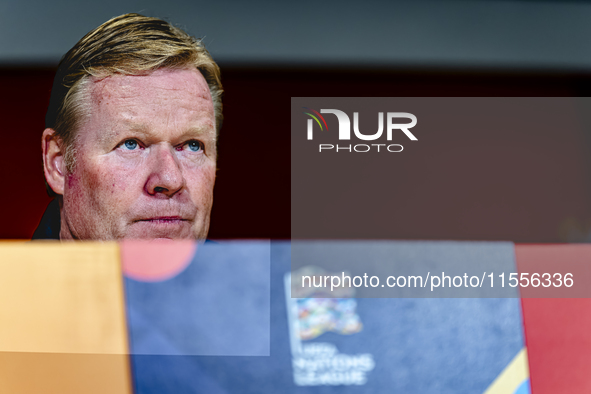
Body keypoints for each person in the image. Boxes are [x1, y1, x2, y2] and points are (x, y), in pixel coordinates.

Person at [33, 13, 223, 240]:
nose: (171, 180)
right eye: (131, 144)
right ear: (58, 163)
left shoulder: (259, 275)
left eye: (193, 145)